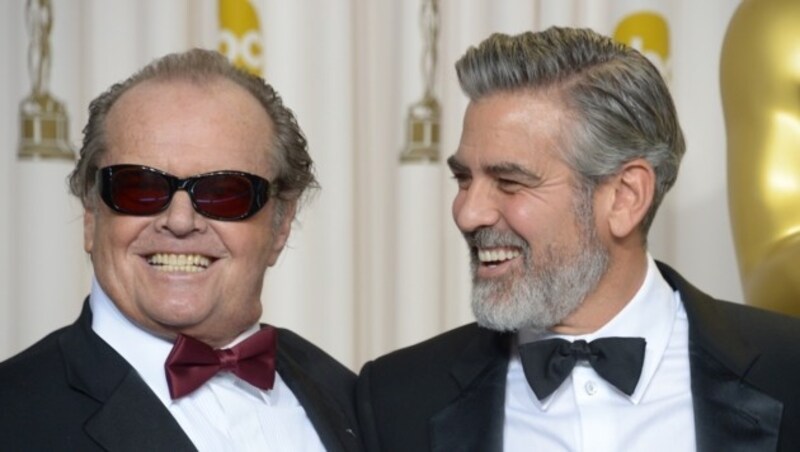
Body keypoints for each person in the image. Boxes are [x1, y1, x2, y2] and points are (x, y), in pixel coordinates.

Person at [356, 27, 800, 452]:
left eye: (509, 182)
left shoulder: (788, 370)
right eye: (463, 178)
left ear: (625, 197)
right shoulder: (398, 399)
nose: (468, 213)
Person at [0, 49, 361, 452]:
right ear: (91, 212)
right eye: (140, 187)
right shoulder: (11, 416)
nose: (180, 220)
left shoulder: (353, 399)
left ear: (282, 223)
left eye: (224, 193)